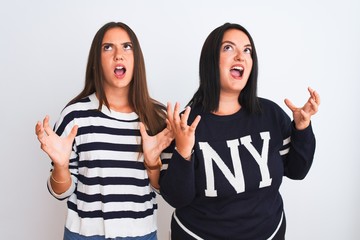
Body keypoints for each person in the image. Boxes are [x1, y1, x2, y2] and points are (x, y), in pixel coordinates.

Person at [159, 22, 321, 240]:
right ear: (210, 61)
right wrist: (184, 151)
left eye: (247, 50)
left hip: (270, 233)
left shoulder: (271, 114)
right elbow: (177, 198)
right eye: (228, 48)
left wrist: (302, 127)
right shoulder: (184, 125)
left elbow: (297, 171)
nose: (241, 56)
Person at [35, 22, 173, 240]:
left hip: (141, 234)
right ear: (96, 62)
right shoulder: (75, 115)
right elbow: (61, 191)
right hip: (84, 235)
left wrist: (152, 163)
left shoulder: (157, 118)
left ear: (137, 59)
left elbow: (164, 189)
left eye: (127, 46)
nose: (119, 55)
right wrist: (61, 166)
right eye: (108, 47)